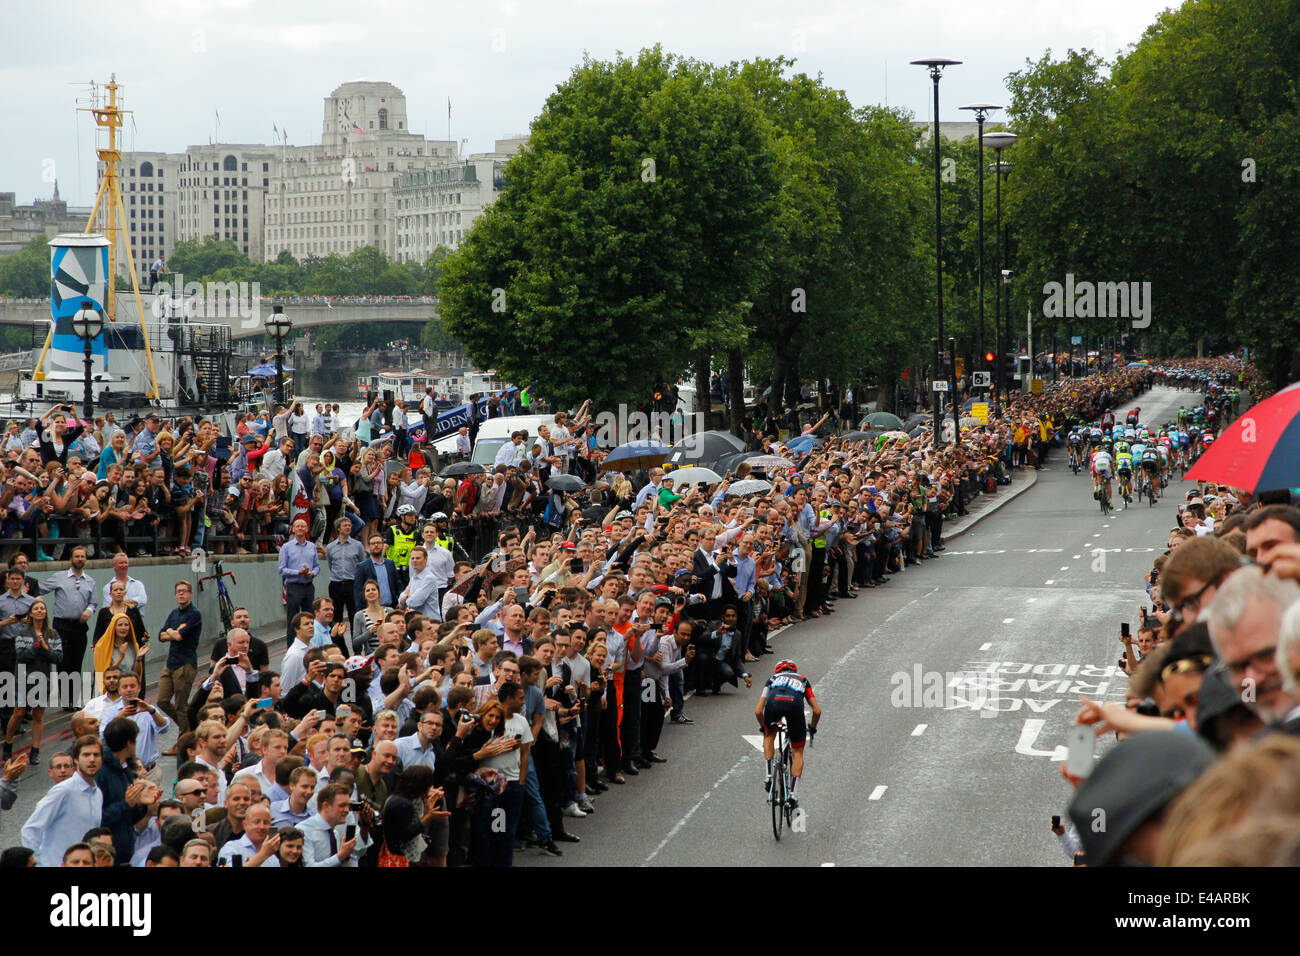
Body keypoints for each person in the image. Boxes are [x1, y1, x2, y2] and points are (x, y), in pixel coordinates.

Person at [20, 735, 103, 867]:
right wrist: (39, 864)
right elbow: (30, 830)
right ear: (76, 760)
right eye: (86, 755)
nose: (92, 759)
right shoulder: (63, 791)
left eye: (96, 755)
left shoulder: (98, 794)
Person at [754, 660, 821, 811]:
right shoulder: (802, 679)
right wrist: (812, 727)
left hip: (773, 704)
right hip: (794, 706)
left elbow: (758, 711)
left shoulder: (772, 679)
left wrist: (765, 728)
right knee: (797, 752)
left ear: (778, 671)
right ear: (795, 671)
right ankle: (793, 795)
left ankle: (769, 775)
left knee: (769, 736)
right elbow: (817, 711)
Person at [4, 597, 60, 764]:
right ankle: (8, 744)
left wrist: (45, 647)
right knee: (19, 712)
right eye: (36, 609)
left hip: (43, 678)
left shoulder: (53, 634)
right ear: (31, 613)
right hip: (23, 678)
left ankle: (35, 750)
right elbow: (21, 655)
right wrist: (37, 646)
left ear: (46, 612)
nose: (39, 611)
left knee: (38, 714)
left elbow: (58, 657)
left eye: (42, 608)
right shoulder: (22, 633)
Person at [41, 545, 95, 710]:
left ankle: (74, 699)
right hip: (61, 626)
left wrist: (89, 610)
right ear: (71, 559)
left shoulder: (90, 581)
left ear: (86, 559)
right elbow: (40, 588)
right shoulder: (59, 577)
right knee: (63, 663)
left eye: (82, 556)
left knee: (76, 664)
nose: (80, 559)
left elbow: (93, 602)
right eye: (77, 556)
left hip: (79, 626)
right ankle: (66, 701)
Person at [155, 581, 202, 735]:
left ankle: (184, 737)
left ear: (190, 594)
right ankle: (190, 726)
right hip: (170, 663)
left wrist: (171, 632)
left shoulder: (194, 614)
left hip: (185, 663)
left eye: (184, 591)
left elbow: (179, 636)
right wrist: (172, 631)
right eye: (178, 591)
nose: (181, 593)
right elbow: (161, 636)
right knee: (162, 701)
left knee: (181, 705)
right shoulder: (174, 613)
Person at [279, 517, 319, 645]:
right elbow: (282, 569)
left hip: (308, 586)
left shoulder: (312, 546)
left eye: (303, 526)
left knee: (310, 618)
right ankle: (291, 647)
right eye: (298, 526)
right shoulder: (286, 547)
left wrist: (313, 573)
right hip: (294, 586)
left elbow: (317, 566)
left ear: (307, 529)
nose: (300, 528)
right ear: (293, 530)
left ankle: (310, 646)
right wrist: (298, 572)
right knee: (293, 619)